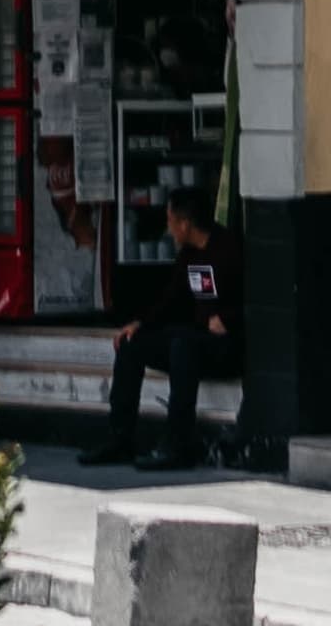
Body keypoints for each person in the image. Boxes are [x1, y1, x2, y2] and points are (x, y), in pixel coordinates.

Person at [100, 177, 234, 468]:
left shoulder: (229, 249)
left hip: (227, 345)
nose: (168, 227)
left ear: (185, 224)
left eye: (171, 220)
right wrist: (140, 324)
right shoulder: (188, 254)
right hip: (195, 341)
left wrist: (229, 319)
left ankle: (178, 443)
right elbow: (170, 299)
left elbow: (260, 297)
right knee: (132, 344)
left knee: (182, 344)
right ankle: (120, 438)